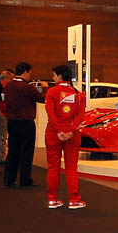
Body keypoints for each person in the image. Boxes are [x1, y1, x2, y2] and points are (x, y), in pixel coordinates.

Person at [44, 65, 86, 209]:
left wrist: (58, 130)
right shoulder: (79, 95)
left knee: (53, 167)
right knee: (71, 168)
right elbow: (80, 116)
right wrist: (71, 131)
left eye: (54, 75)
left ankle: (52, 199)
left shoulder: (51, 92)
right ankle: (74, 200)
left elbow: (50, 113)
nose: (53, 78)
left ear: (60, 75)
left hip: (53, 134)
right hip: (72, 135)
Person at [3, 62, 46, 188]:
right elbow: (41, 99)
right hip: (26, 122)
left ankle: (9, 180)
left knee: (13, 151)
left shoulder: (9, 86)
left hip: (12, 122)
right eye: (29, 73)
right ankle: (24, 179)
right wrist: (44, 88)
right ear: (26, 72)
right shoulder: (26, 87)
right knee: (26, 152)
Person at [0, 69, 15, 162]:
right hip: (2, 114)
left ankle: (0, 156)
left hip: (5, 114)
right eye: (12, 78)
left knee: (1, 136)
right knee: (2, 137)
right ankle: (1, 156)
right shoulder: (2, 88)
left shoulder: (1, 87)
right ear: (6, 78)